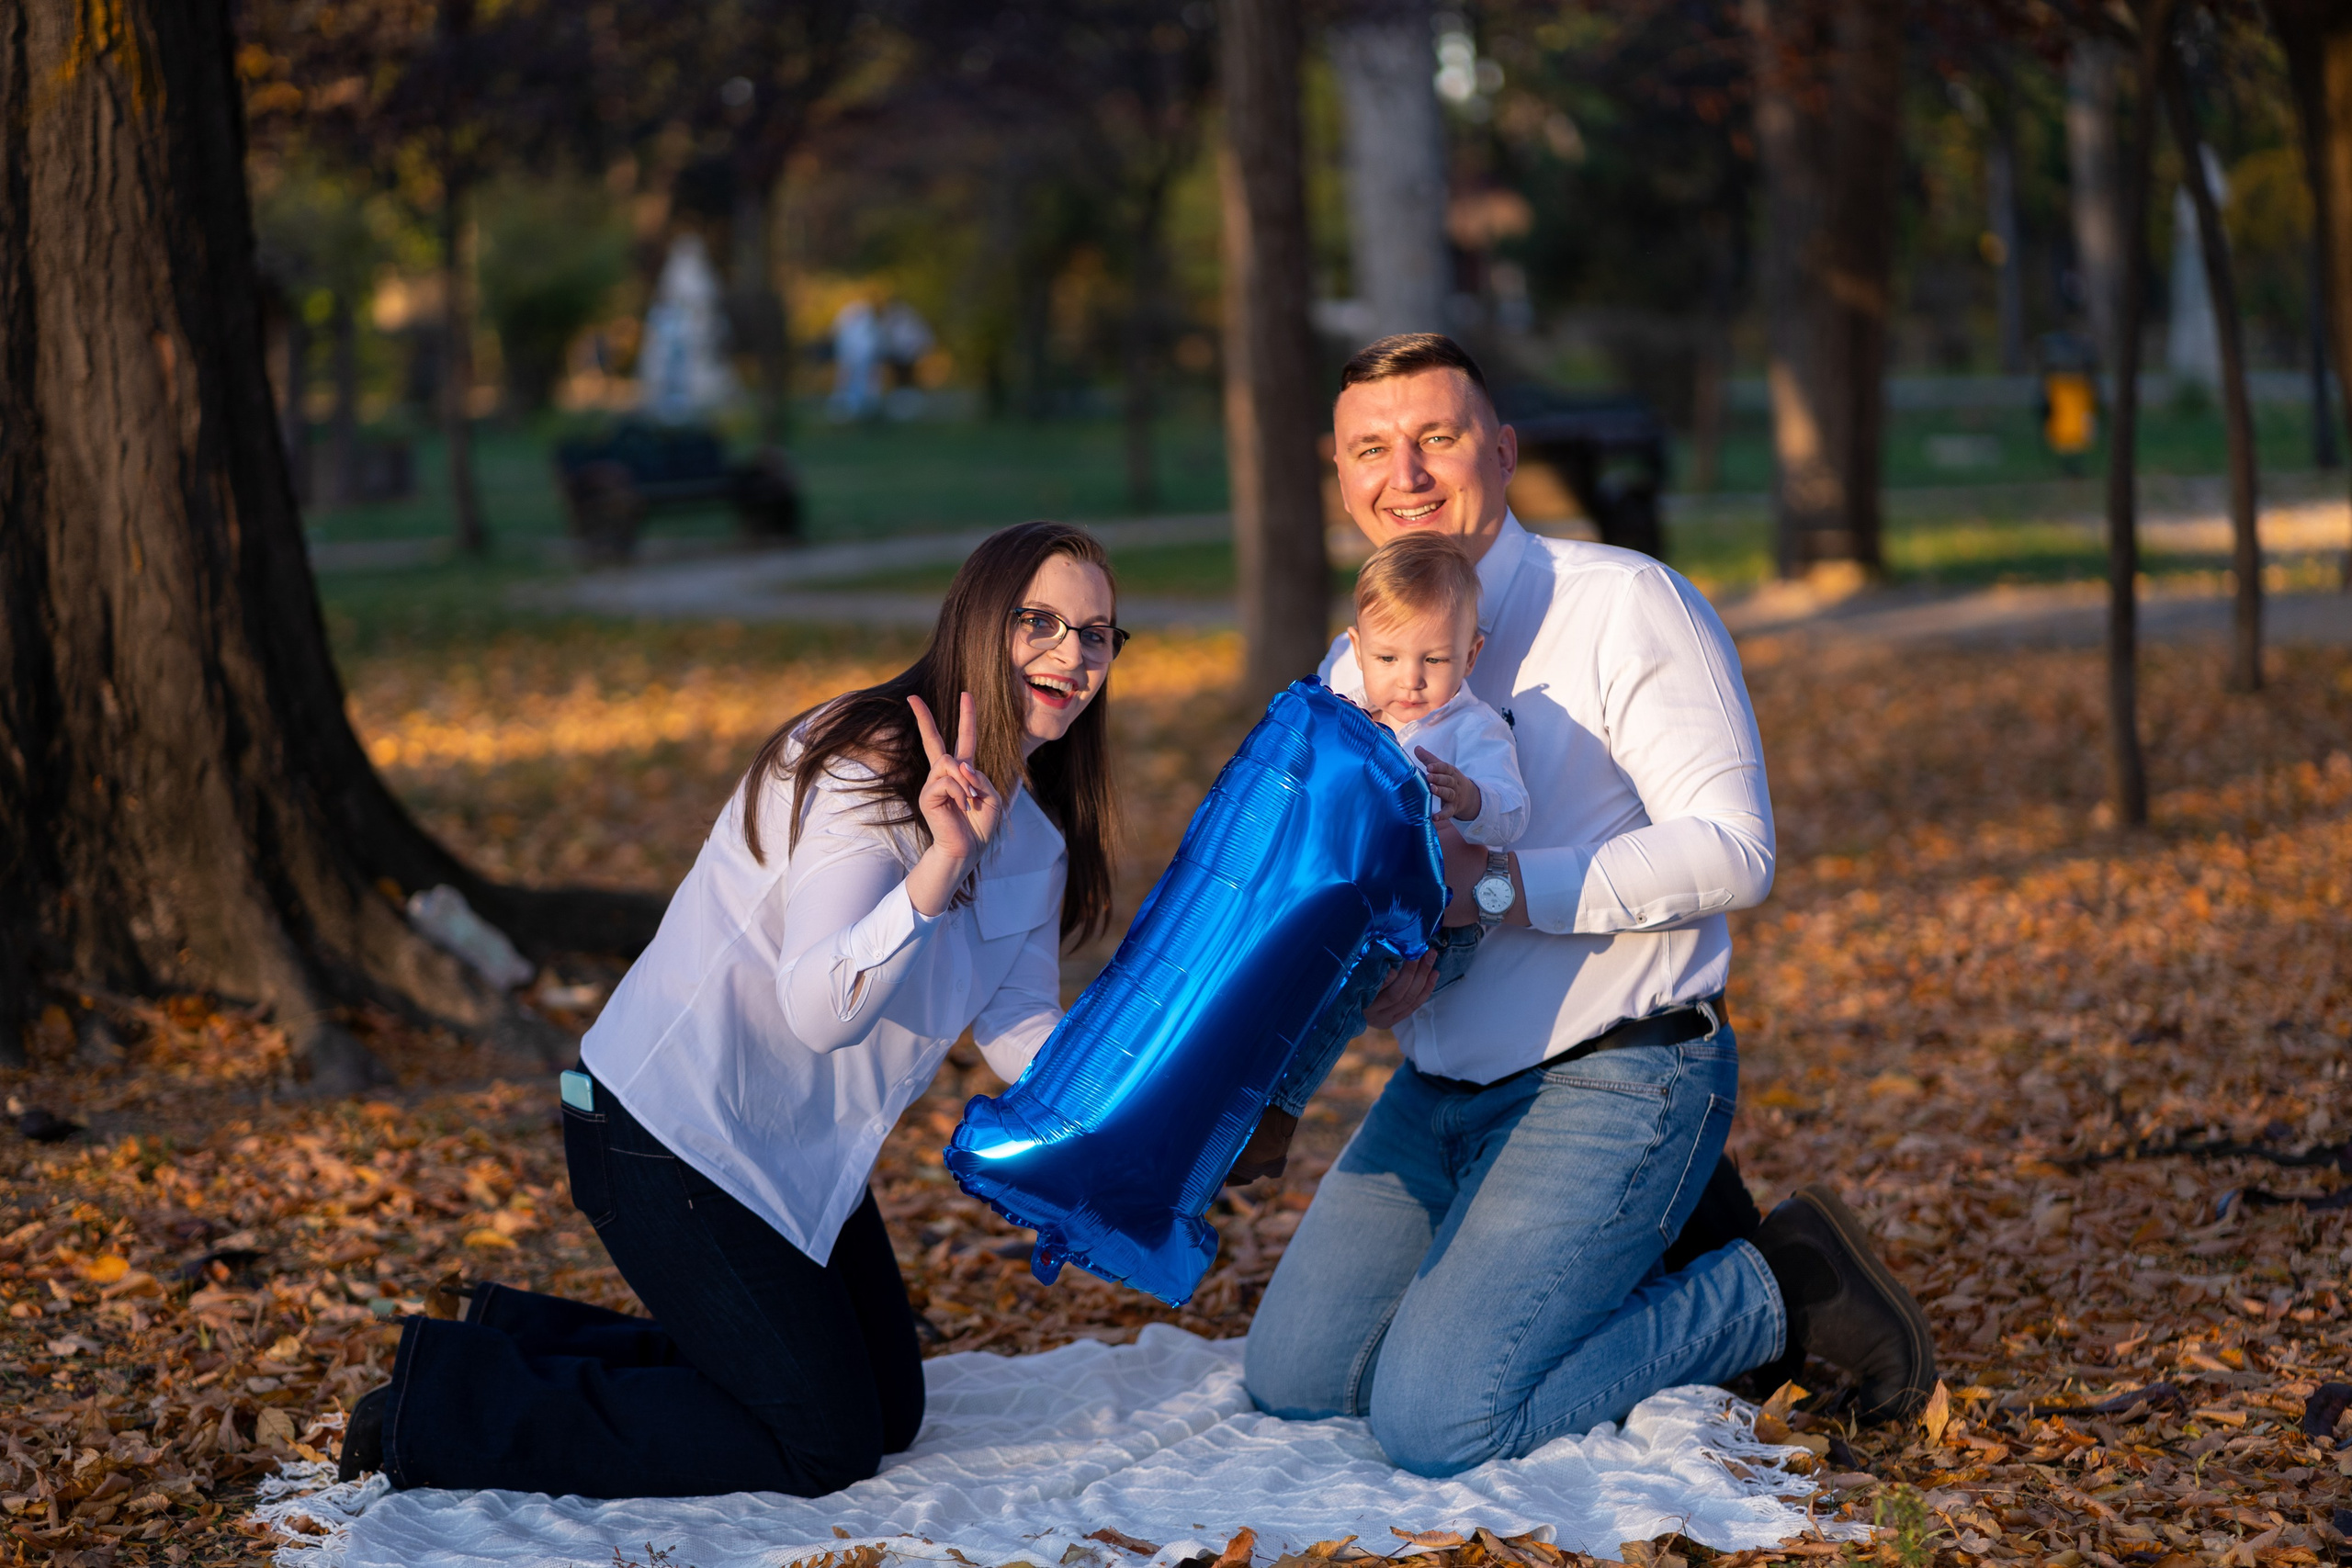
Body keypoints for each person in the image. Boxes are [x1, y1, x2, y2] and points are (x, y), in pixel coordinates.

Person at [1241, 334, 1934, 1477]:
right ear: (1341, 474)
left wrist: (1499, 889)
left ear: (1503, 453)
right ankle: (1643, 1241)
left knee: (1439, 1423)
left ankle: (1777, 1282)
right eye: (1371, 448)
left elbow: (1735, 851)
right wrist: (1371, 979)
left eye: (1437, 439)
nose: (1403, 473)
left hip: (1619, 1068)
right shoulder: (1353, 665)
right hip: (1439, 1089)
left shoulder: (1625, 604)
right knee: (1298, 1379)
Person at [338, 521, 1131, 1498]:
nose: (1071, 655)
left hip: (798, 1149)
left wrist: (1141, 1087)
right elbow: (818, 1010)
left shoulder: (1036, 839)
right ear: (977, 623)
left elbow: (1015, 1033)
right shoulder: (861, 763)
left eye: (1095, 634)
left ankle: (516, 1339)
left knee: (885, 1408)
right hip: (666, 1132)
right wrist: (937, 868)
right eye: (1039, 622)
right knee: (825, 1446)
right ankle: (439, 1409)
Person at [1256, 533, 1529, 1145]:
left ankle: (1278, 1110)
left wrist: (1470, 797)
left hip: (1442, 922)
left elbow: (1514, 815)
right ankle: (1235, 1078)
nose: (1409, 679)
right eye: (1387, 659)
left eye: (1433, 660)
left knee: (1354, 972)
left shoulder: (1472, 729)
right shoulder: (1351, 717)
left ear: (1471, 654)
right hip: (1367, 899)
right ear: (1357, 650)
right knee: (1283, 948)